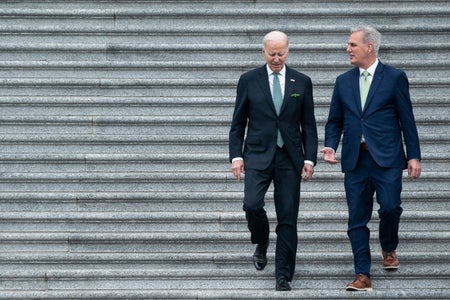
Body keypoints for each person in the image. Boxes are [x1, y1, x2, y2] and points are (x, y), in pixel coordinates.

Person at [320, 26, 422, 291]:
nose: (347, 49)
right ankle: (362, 273)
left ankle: (388, 247)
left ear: (369, 47)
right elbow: (335, 120)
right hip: (356, 160)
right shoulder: (343, 81)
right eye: (348, 44)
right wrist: (331, 145)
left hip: (387, 158)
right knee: (356, 218)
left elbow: (407, 120)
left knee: (390, 207)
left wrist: (414, 156)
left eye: (352, 45)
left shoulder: (395, 77)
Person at [229, 30, 318, 291]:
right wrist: (236, 156)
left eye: (281, 53)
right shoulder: (249, 80)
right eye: (271, 54)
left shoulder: (301, 81)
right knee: (251, 204)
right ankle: (262, 238)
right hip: (257, 154)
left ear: (287, 51)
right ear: (263, 52)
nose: (276, 58)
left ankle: (283, 274)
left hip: (290, 158)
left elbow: (309, 125)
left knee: (288, 217)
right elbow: (238, 123)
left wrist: (309, 158)